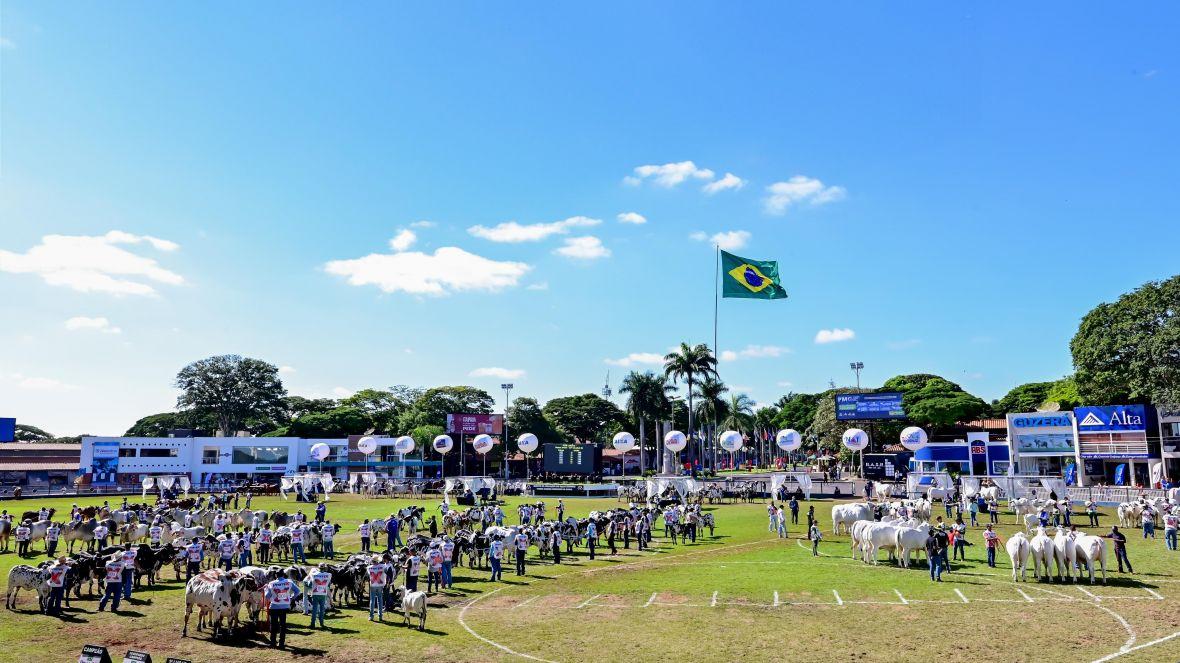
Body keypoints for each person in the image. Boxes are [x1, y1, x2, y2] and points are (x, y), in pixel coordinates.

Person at [264, 570, 298, 648]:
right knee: (283, 625)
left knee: (273, 625)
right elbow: (298, 591)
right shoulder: (289, 582)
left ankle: (273, 642)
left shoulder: (271, 583)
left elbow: (267, 596)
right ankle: (281, 643)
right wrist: (291, 598)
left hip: (274, 606)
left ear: (276, 575)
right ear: (283, 575)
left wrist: (266, 589)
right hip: (285, 606)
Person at [367, 556, 387, 621]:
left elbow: (368, 575)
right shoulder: (383, 566)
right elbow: (386, 571)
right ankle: (380, 616)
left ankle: (371, 616)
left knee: (372, 601)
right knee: (380, 600)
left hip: (373, 585)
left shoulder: (369, 567)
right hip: (380, 585)